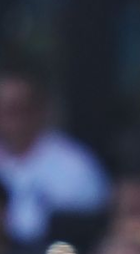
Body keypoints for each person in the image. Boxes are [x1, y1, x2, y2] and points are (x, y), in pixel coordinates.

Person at [0, 69, 109, 243]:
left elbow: (87, 232)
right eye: (3, 111)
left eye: (17, 110)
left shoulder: (75, 165)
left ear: (40, 111)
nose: (8, 120)